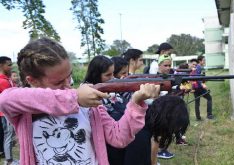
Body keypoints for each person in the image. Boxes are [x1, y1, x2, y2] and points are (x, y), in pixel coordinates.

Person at [0, 38, 160, 165]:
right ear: (32, 81)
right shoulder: (25, 109)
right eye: (58, 82)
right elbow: (6, 99)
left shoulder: (87, 105)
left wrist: (136, 103)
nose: (68, 85)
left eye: (68, 76)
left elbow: (118, 137)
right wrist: (74, 98)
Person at [124, 96, 190, 165]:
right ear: (166, 121)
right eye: (173, 128)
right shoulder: (140, 136)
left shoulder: (144, 117)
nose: (172, 133)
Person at [0, 56, 18, 165]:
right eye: (9, 65)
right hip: (5, 112)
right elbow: (11, 97)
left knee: (9, 135)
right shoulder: (2, 81)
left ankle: (9, 159)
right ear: (1, 65)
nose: (11, 67)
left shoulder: (7, 79)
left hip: (7, 112)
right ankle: (9, 161)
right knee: (9, 135)